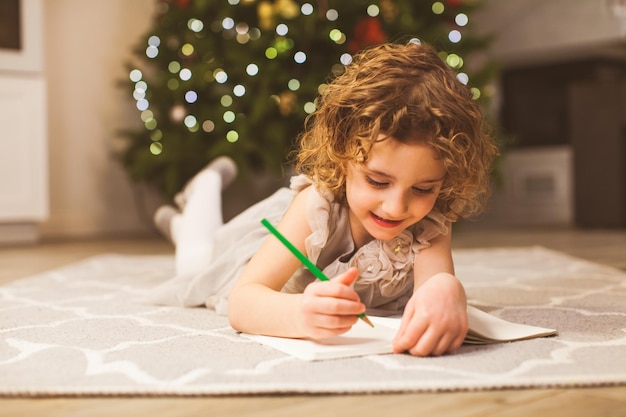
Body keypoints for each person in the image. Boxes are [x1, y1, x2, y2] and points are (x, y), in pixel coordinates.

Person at [146, 40, 498, 357]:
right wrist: (298, 313)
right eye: (377, 181)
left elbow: (435, 284)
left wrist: (448, 291)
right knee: (197, 259)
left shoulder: (429, 221)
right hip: (251, 251)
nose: (396, 207)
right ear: (342, 157)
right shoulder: (315, 208)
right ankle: (203, 190)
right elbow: (242, 301)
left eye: (423, 189)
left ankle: (182, 221)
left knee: (196, 248)